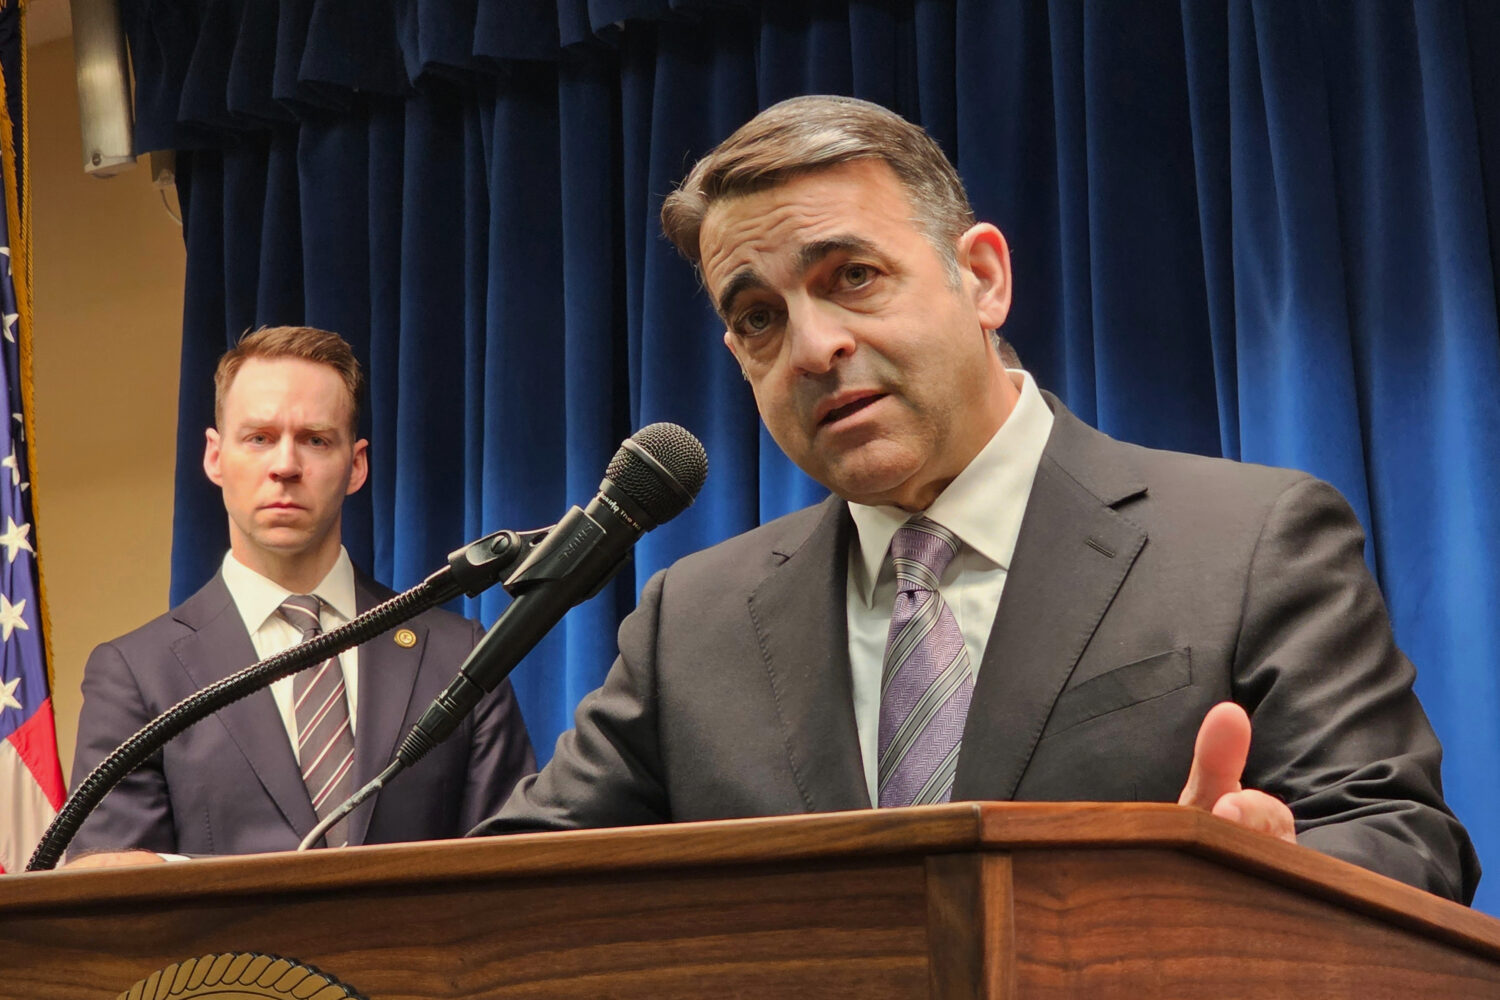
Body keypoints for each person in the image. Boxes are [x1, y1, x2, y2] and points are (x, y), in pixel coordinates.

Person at [475, 95, 1479, 904]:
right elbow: (506, 897)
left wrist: (1264, 878)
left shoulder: (1251, 538)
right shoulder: (691, 620)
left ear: (984, 277)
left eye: (854, 276)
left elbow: (1400, 833)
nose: (814, 346)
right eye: (758, 317)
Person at [69, 326, 534, 864]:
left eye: (315, 439)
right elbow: (116, 900)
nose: (285, 466)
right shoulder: (135, 675)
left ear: (355, 465)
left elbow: (510, 875)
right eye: (259, 437)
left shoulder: (461, 657)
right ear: (215, 457)